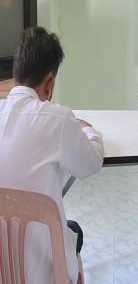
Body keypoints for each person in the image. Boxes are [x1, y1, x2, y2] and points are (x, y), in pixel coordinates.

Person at [0, 27, 104, 284]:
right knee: (74, 230)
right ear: (50, 83)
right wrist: (90, 131)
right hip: (43, 274)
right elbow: (91, 165)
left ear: (15, 74)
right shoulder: (58, 119)